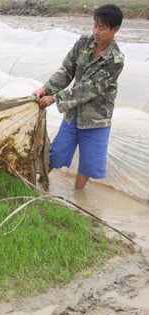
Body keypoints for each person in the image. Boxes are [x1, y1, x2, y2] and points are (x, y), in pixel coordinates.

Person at [32, 4, 124, 190]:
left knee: (89, 163)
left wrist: (56, 98)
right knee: (56, 154)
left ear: (115, 29)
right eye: (95, 26)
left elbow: (90, 88)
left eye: (102, 28)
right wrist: (46, 89)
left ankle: (78, 197)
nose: (96, 32)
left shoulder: (115, 60)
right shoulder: (84, 43)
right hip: (74, 113)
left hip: (97, 119)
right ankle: (37, 186)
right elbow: (67, 71)